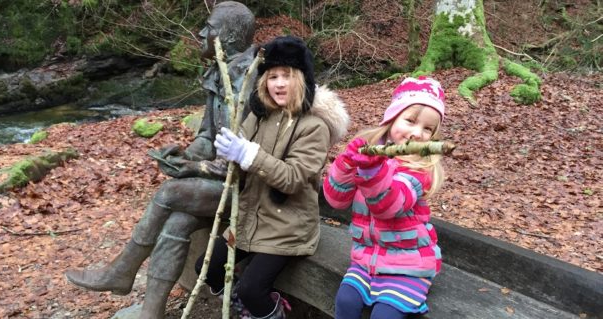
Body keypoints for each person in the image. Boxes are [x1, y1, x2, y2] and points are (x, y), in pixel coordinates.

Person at [64, 2, 257, 318]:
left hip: (250, 191)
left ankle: (121, 271)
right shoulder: (218, 73)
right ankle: (150, 313)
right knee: (178, 220)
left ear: (228, 36)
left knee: (169, 193)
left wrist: (193, 169)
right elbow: (208, 136)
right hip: (221, 183)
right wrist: (187, 155)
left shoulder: (253, 80)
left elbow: (247, 165)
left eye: (209, 27)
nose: (200, 33)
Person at [195, 35, 350, 319]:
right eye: (272, 75)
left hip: (287, 226)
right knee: (208, 268)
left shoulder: (314, 127)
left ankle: (270, 312)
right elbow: (243, 168)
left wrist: (249, 155)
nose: (279, 83)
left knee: (252, 290)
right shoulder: (259, 116)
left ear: (302, 79)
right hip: (249, 220)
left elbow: (291, 178)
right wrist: (230, 158)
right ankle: (245, 304)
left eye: (287, 76)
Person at [323, 76, 447, 319]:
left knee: (384, 315)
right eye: (410, 121)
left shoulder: (419, 170)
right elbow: (336, 200)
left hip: (408, 266)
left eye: (428, 129)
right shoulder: (372, 154)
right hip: (365, 259)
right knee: (346, 301)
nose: (417, 133)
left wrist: (371, 172)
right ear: (391, 119)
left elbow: (387, 206)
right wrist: (346, 163)